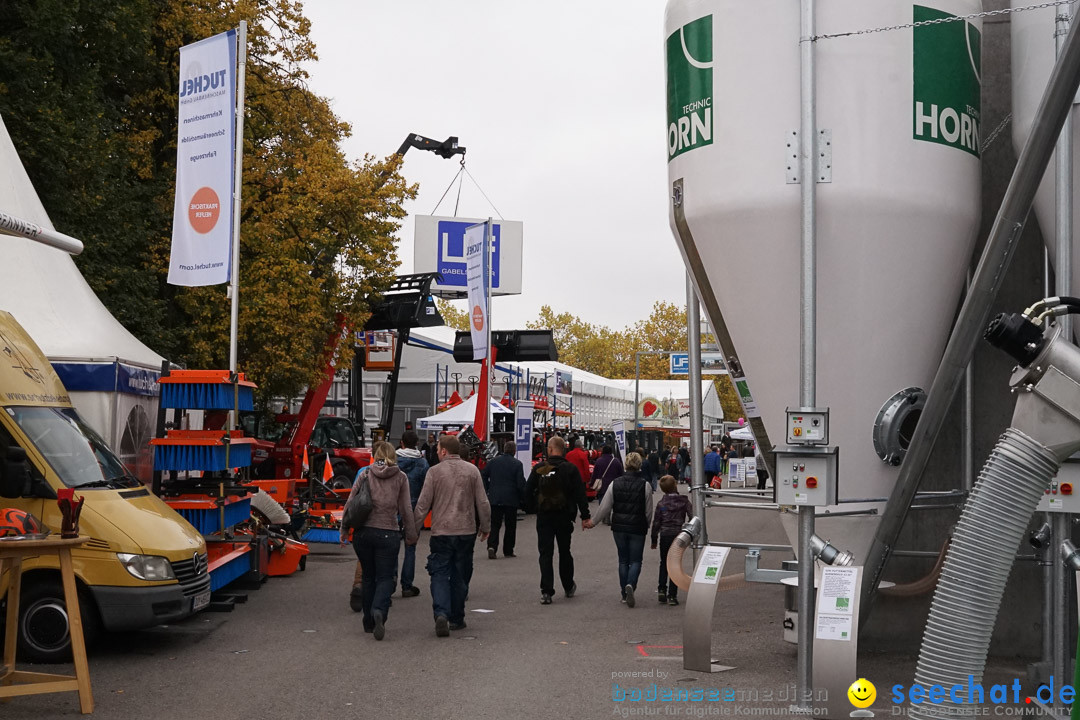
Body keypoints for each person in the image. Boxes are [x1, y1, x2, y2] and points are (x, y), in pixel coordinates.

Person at [413, 434, 491, 637]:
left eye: (438, 449)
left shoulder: (434, 472)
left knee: (439, 573)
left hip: (441, 531)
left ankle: (441, 613)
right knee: (459, 574)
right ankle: (457, 617)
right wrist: (486, 526)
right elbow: (482, 502)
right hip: (466, 531)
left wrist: (413, 530)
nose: (437, 452)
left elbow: (423, 504)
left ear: (444, 451)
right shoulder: (472, 470)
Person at [340, 441, 418, 641]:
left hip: (363, 533)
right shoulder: (400, 478)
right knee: (384, 577)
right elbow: (406, 509)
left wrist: (344, 528)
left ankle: (368, 621)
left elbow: (351, 501)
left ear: (376, 455)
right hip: (388, 533)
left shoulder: (366, 473)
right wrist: (411, 535)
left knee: (368, 577)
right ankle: (379, 612)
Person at [525, 436, 592, 605]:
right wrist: (585, 516)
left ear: (549, 449)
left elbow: (527, 491)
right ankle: (568, 586)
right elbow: (580, 494)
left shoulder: (540, 468)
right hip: (564, 516)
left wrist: (534, 507)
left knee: (545, 553)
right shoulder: (570, 469)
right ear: (564, 449)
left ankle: (546, 591)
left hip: (544, 516)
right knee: (565, 552)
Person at [590, 452, 653, 607]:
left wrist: (593, 522)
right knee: (636, 560)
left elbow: (605, 506)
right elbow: (648, 510)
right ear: (639, 465)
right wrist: (647, 524)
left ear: (625, 464)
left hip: (619, 527)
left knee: (623, 560)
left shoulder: (614, 483)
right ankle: (631, 584)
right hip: (637, 526)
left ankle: (624, 594)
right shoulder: (645, 485)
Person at [651, 474, 693, 606]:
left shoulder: (661, 504)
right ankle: (672, 596)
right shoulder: (684, 501)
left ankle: (662, 589)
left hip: (665, 535)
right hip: (679, 535)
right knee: (675, 564)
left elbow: (656, 523)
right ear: (675, 485)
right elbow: (692, 517)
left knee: (664, 562)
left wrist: (654, 539)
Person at [396, 429, 429, 598]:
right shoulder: (422, 464)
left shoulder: (392, 461)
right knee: (410, 548)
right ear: (417, 444)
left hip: (393, 509)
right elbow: (426, 490)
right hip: (414, 509)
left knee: (392, 548)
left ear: (401, 443)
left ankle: (389, 582)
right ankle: (407, 585)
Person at [482, 440, 526, 559]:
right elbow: (520, 483)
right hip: (511, 498)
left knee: (495, 524)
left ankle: (492, 546)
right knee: (510, 525)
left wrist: (487, 488)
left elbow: (484, 474)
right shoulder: (517, 464)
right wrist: (523, 497)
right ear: (514, 451)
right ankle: (508, 550)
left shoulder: (493, 462)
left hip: (495, 497)